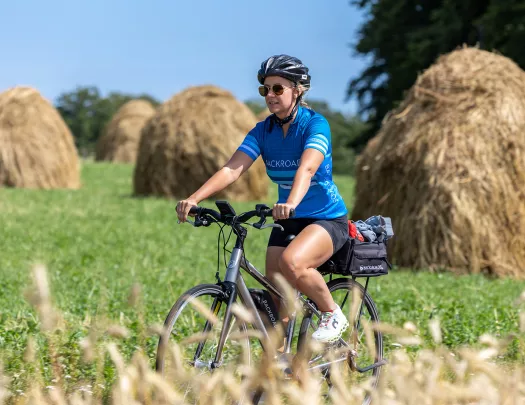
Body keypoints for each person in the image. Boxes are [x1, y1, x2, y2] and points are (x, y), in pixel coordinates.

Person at [176, 54, 349, 343]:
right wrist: (194, 198)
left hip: (326, 218)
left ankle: (332, 313)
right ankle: (276, 365)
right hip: (287, 219)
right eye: (265, 89)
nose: (270, 95)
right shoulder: (263, 130)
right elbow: (232, 169)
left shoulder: (315, 125)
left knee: (293, 263)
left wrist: (291, 202)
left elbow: (306, 169)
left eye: (278, 88)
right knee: (277, 295)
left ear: (298, 89)